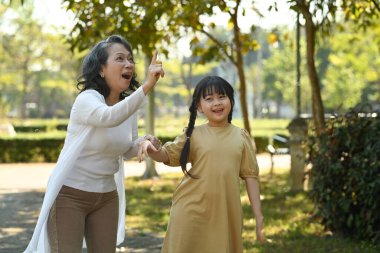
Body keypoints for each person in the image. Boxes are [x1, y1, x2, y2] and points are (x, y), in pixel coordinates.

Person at [24, 35, 164, 253]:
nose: (128, 64)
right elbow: (107, 118)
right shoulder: (87, 100)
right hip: (69, 196)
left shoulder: (128, 106)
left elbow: (126, 148)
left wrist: (144, 142)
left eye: (130, 59)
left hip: (107, 197)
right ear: (101, 69)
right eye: (119, 58)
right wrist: (146, 86)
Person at [138, 76, 265, 253]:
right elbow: (167, 155)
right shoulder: (193, 135)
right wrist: (152, 149)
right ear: (199, 106)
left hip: (226, 213)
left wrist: (258, 216)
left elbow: (251, 177)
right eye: (209, 99)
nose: (217, 103)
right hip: (190, 211)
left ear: (231, 100)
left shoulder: (241, 137)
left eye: (222, 96)